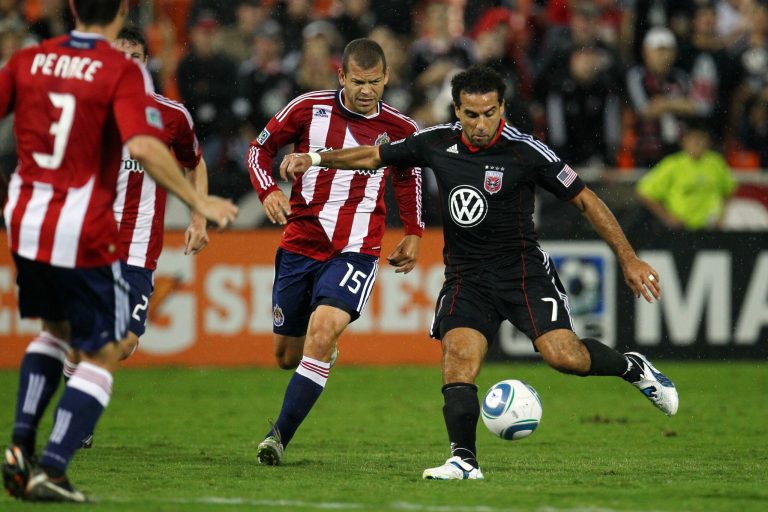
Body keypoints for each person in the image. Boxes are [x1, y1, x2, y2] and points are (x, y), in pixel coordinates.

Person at [280, 66, 679, 481]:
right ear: (457, 110)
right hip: (467, 278)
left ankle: (633, 368)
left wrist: (628, 258)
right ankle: (464, 461)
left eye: (489, 113)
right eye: (471, 114)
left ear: (502, 107)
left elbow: (586, 200)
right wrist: (314, 158)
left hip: (521, 274)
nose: (481, 124)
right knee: (457, 360)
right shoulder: (437, 142)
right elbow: (372, 156)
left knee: (565, 357)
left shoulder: (526, 151)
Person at [0, 0, 237, 502]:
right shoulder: (115, 75)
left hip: (32, 222)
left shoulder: (31, 60)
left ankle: (21, 443)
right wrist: (199, 203)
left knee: (58, 332)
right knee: (109, 348)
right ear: (120, 12)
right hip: (88, 232)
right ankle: (54, 464)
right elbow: (146, 148)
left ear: (71, 9)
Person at [246, 38, 423, 465]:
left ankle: (277, 438)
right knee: (286, 357)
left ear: (387, 78)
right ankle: (320, 352)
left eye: (374, 82)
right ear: (341, 76)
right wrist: (268, 190)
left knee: (322, 332)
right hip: (300, 244)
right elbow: (258, 149)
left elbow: (408, 175)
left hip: (357, 248)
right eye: (358, 82)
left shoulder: (401, 128)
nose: (366, 91)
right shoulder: (307, 107)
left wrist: (414, 231)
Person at [61, 25, 212, 448]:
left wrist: (199, 218)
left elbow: (194, 164)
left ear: (147, 64)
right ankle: (78, 417)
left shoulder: (171, 116)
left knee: (125, 343)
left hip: (138, 247)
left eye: (136, 57)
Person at [637, 124, 736, 230]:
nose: (697, 143)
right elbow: (644, 192)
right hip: (682, 229)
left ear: (708, 141)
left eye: (701, 138)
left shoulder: (715, 162)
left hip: (710, 228)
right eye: (693, 139)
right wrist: (667, 217)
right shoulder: (672, 164)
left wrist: (722, 215)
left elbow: (729, 189)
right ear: (684, 142)